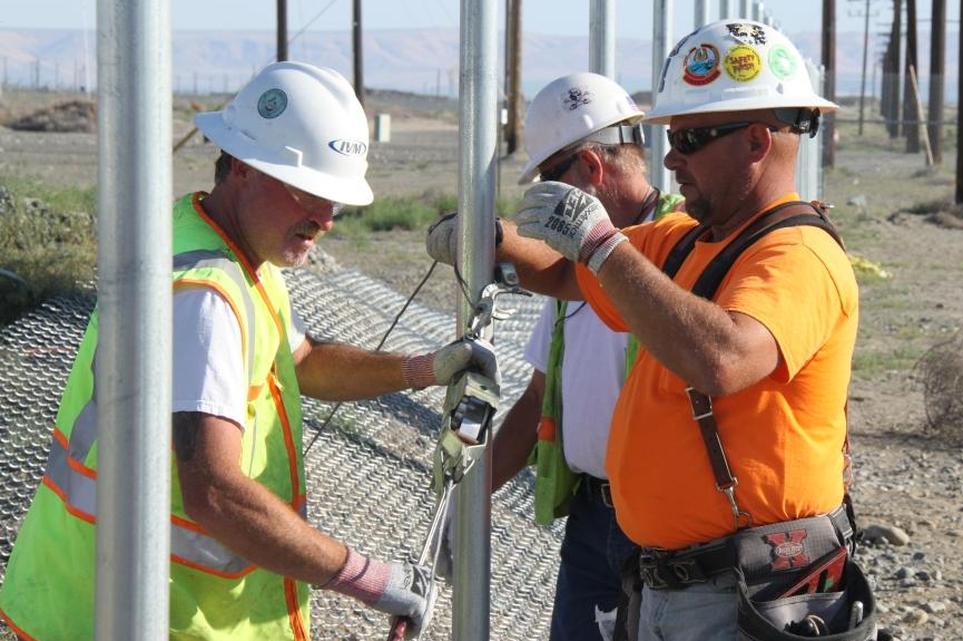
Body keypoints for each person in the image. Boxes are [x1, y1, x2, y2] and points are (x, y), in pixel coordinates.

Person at [0, 61, 494, 641]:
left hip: (135, 599)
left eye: (337, 202)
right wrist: (368, 579)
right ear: (240, 167)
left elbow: (303, 359)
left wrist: (422, 370)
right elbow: (213, 492)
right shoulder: (203, 294)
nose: (325, 220)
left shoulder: (217, 245)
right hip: (150, 613)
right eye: (308, 193)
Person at [429, 20, 872, 641]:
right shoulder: (691, 240)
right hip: (686, 584)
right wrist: (486, 236)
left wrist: (602, 244)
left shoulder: (798, 256)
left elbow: (723, 358)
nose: (671, 158)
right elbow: (563, 270)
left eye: (690, 138)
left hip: (749, 592)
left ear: (754, 141)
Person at [432, 72, 684, 641]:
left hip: (667, 521)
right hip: (596, 521)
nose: (540, 196)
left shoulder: (680, 245)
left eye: (550, 178)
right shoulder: (577, 268)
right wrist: (471, 499)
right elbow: (542, 399)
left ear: (590, 172)